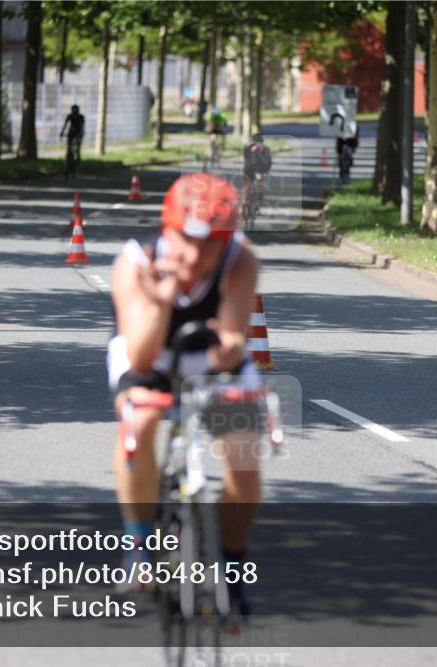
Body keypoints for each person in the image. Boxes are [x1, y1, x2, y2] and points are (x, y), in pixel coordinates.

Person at [108, 173, 262, 618]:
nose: (197, 256)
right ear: (167, 230)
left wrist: (229, 349)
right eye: (186, 241)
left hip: (213, 360)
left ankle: (233, 566)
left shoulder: (241, 259)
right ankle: (138, 546)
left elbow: (232, 348)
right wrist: (163, 298)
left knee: (244, 456)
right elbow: (139, 354)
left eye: (212, 244)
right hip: (148, 357)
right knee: (138, 426)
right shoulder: (136, 260)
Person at [242, 132, 272, 202]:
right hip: (261, 169)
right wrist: (267, 169)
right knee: (261, 180)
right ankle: (260, 194)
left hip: (248, 168)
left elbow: (245, 157)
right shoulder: (266, 148)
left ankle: (243, 203)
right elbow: (269, 161)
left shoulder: (248, 146)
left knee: (246, 185)